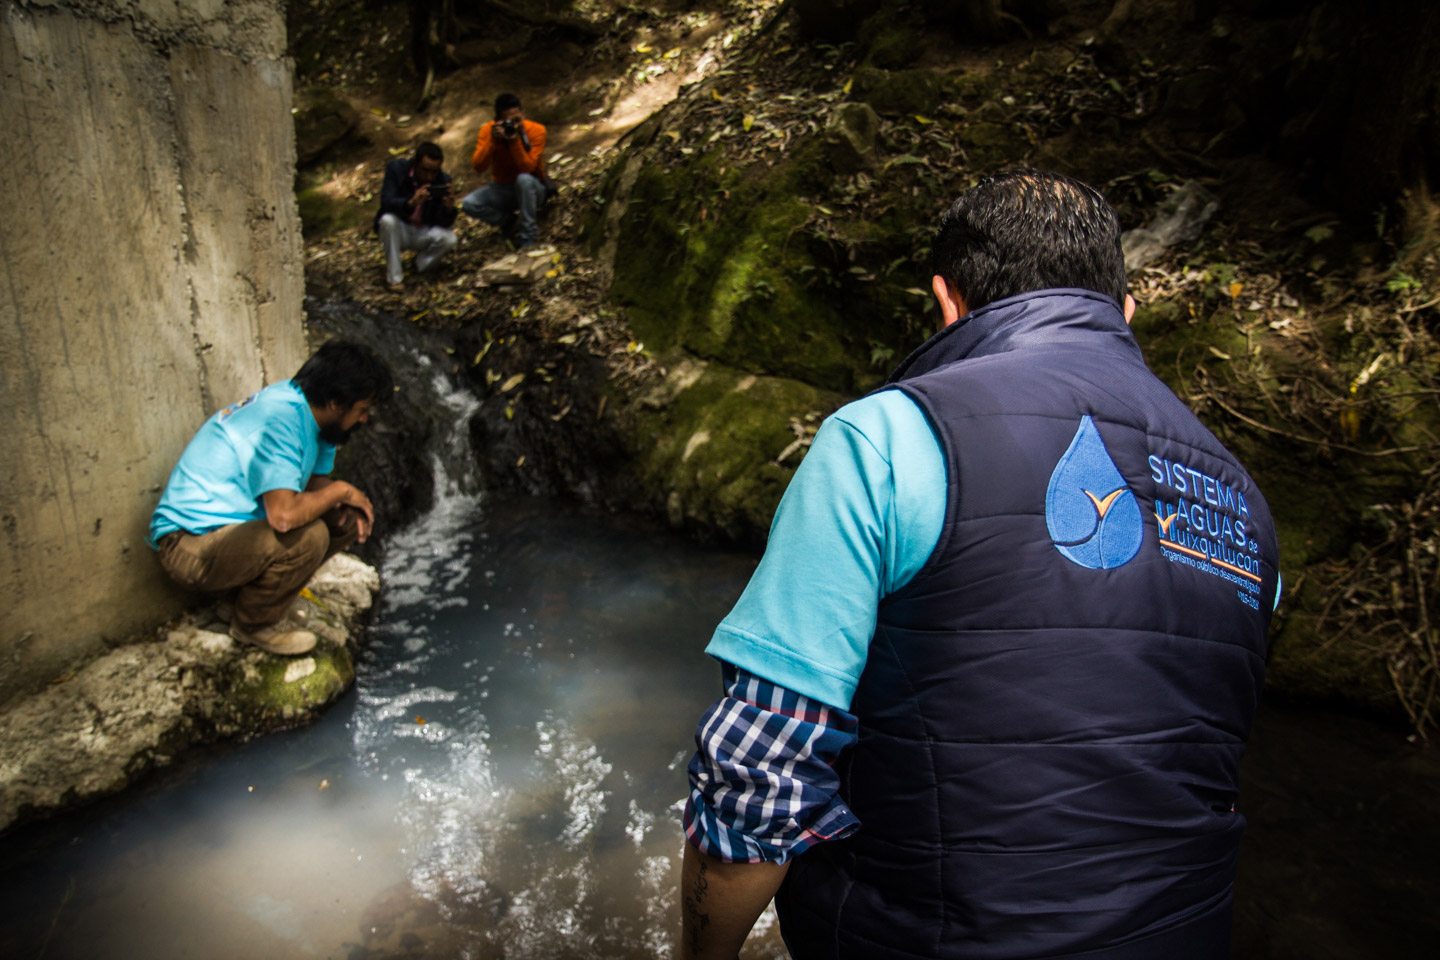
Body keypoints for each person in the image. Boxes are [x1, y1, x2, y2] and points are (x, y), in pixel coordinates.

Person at [677, 170, 1282, 960]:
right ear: (1126, 313)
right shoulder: (1247, 507)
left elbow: (758, 774)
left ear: (947, 300)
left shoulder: (889, 438)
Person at [149, 341, 393, 656]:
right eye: (361, 410)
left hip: (235, 534)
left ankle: (247, 602)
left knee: (342, 519)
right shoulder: (280, 421)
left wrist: (341, 499)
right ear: (336, 402)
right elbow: (284, 516)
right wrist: (343, 490)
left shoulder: (321, 422)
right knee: (309, 535)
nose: (364, 419)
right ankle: (253, 625)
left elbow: (316, 486)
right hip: (189, 545)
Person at [460, 92, 551, 249]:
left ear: (523, 114)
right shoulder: (488, 131)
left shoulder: (537, 130)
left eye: (517, 120)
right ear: (498, 121)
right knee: (469, 203)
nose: (514, 126)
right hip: (501, 189)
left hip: (533, 189)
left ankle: (528, 236)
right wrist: (493, 141)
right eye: (509, 122)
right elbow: (478, 166)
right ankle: (508, 221)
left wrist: (515, 140)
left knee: (524, 180)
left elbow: (528, 168)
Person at [375, 141, 459, 288]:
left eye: (434, 172)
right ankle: (395, 279)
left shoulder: (443, 180)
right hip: (400, 229)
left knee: (450, 239)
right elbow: (386, 202)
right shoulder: (397, 169)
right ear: (415, 163)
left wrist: (447, 210)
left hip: (423, 231)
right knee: (387, 220)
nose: (429, 176)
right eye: (425, 170)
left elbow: (441, 224)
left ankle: (420, 264)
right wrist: (410, 203)